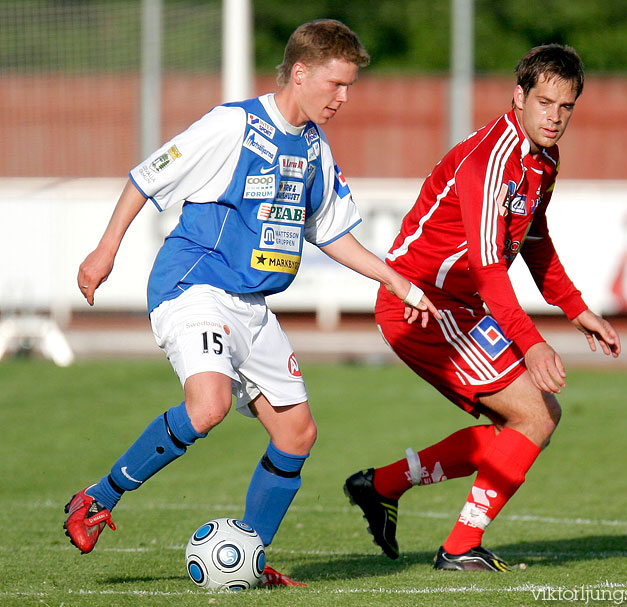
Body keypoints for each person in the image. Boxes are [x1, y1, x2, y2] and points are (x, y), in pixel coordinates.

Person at [63, 19, 439, 586]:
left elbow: (332, 233)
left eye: (350, 88)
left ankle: (247, 558)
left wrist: (400, 284)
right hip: (196, 287)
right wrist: (104, 250)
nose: (343, 98)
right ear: (301, 71)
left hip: (252, 305)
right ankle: (96, 499)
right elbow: (147, 176)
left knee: (297, 433)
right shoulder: (233, 125)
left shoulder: (314, 147)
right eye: (336, 85)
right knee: (207, 406)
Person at [344, 44, 621, 572]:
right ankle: (458, 547)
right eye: (544, 103)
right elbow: (490, 265)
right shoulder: (492, 159)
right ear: (518, 97)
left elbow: (534, 239)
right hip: (420, 302)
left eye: (566, 108)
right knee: (534, 416)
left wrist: (576, 308)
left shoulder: (543, 159)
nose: (555, 117)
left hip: (460, 304)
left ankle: (380, 486)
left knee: (524, 423)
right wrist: (531, 342)